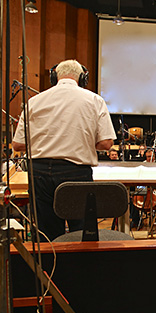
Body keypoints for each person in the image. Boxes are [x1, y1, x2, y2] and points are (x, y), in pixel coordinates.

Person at [12, 59, 115, 241]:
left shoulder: (34, 101)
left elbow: (18, 145)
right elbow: (106, 143)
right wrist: (81, 142)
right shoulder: (94, 100)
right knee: (81, 234)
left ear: (54, 77)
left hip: (38, 173)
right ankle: (77, 269)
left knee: (46, 235)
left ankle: (49, 269)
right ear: (82, 78)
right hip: (75, 172)